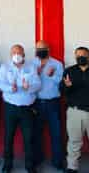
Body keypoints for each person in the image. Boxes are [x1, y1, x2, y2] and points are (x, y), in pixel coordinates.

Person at [0, 44, 41, 173]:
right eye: (14, 53)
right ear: (11, 55)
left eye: (19, 53)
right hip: (10, 107)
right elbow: (1, 84)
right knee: (8, 137)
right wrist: (10, 89)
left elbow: (38, 84)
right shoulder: (5, 67)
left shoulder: (31, 67)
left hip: (27, 109)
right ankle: (7, 164)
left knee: (29, 138)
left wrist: (28, 87)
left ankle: (30, 165)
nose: (16, 55)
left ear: (23, 55)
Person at [31, 40, 64, 170]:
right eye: (38, 48)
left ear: (48, 50)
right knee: (36, 133)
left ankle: (57, 161)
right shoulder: (31, 64)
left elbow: (62, 82)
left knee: (56, 133)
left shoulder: (57, 64)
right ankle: (37, 159)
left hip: (53, 103)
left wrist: (52, 75)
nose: (41, 50)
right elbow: (27, 82)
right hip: (36, 103)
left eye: (43, 48)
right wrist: (36, 74)